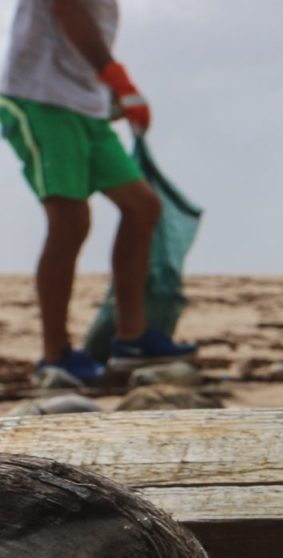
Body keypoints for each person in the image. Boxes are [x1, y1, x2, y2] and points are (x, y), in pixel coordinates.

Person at [1, 0, 195, 385]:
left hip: (85, 103)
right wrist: (117, 78)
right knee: (70, 220)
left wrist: (109, 94)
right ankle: (55, 355)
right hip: (39, 95)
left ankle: (132, 339)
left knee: (142, 206)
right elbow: (67, 7)